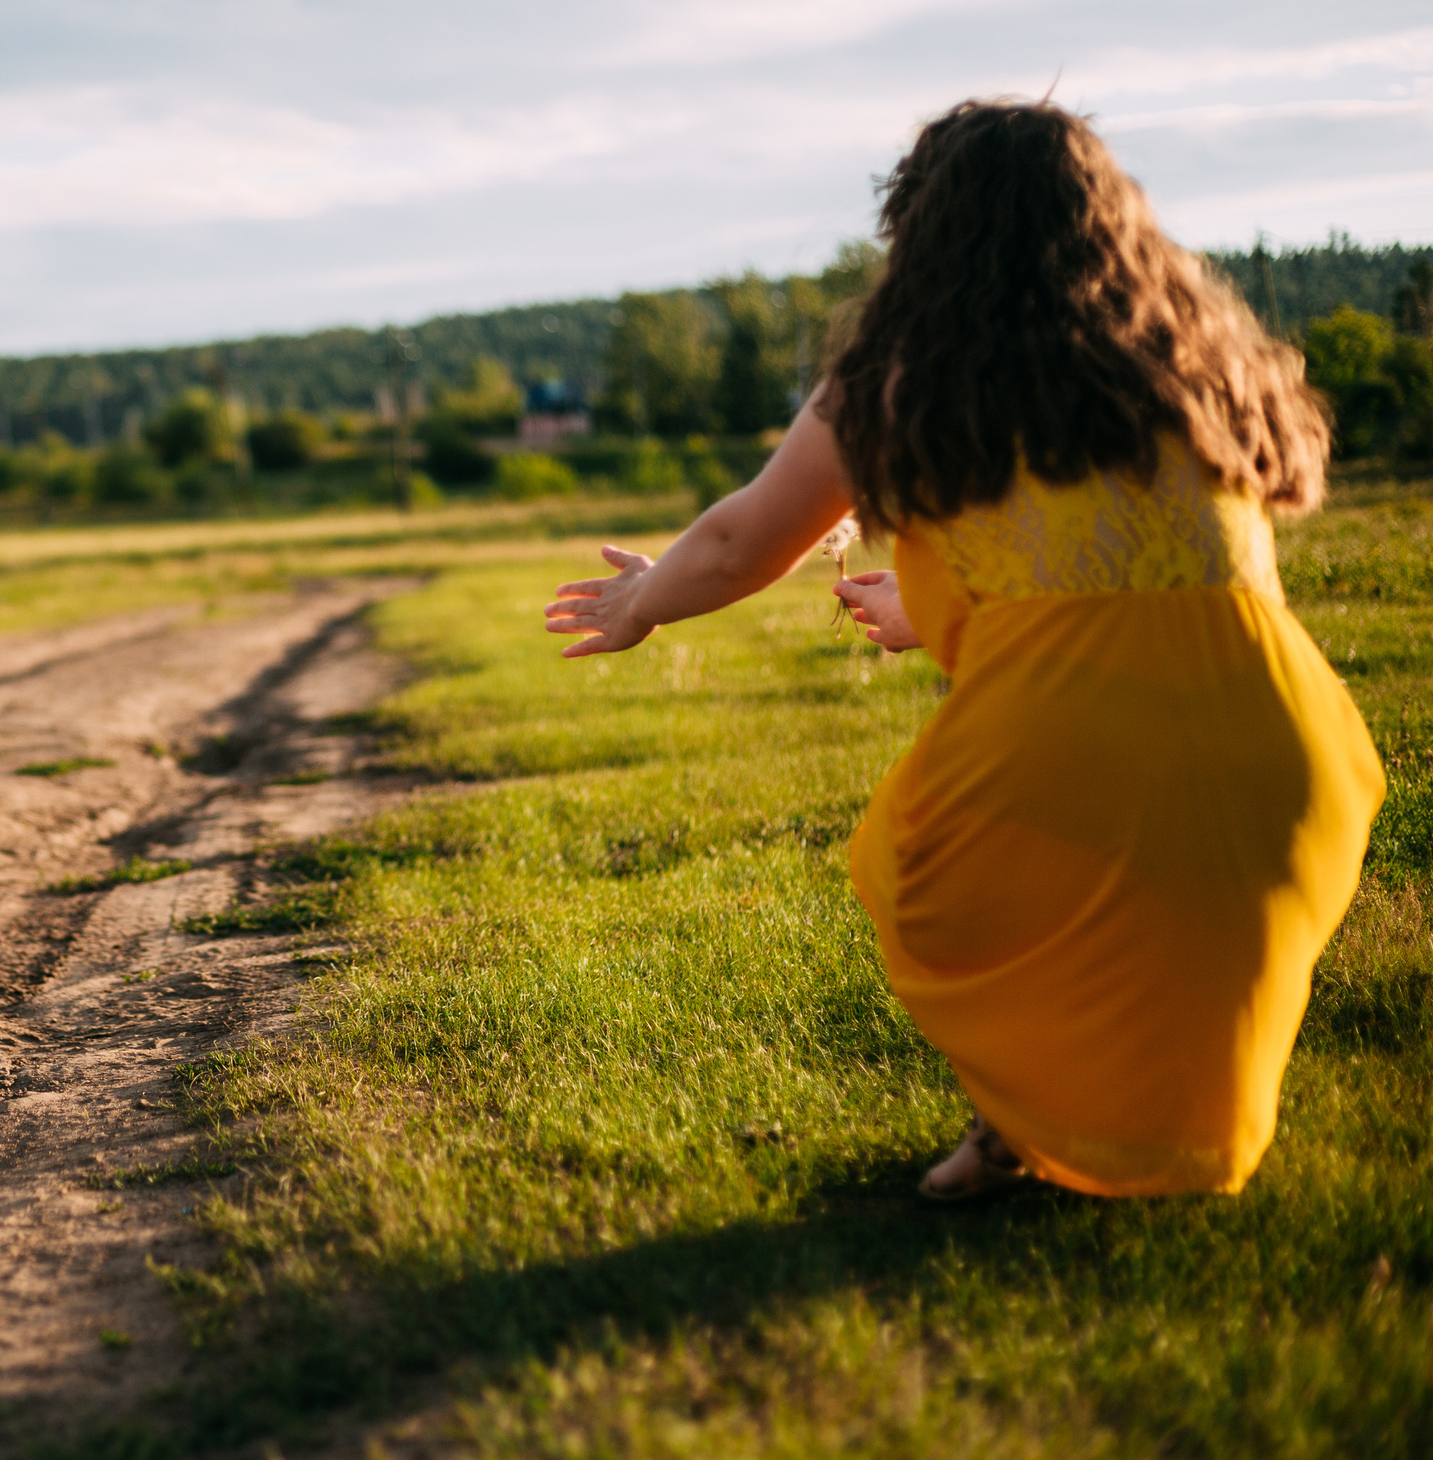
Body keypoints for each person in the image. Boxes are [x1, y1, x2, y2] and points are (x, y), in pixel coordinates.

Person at [543, 99, 1383, 1201]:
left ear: (924, 234)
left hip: (1077, 738)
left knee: (918, 870)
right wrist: (939, 609)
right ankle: (1029, 1142)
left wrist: (646, 599)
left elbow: (745, 537)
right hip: (1292, 751)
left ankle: (1029, 1131)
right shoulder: (1193, 364)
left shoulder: (908, 378)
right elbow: (1107, 575)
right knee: (1166, 910)